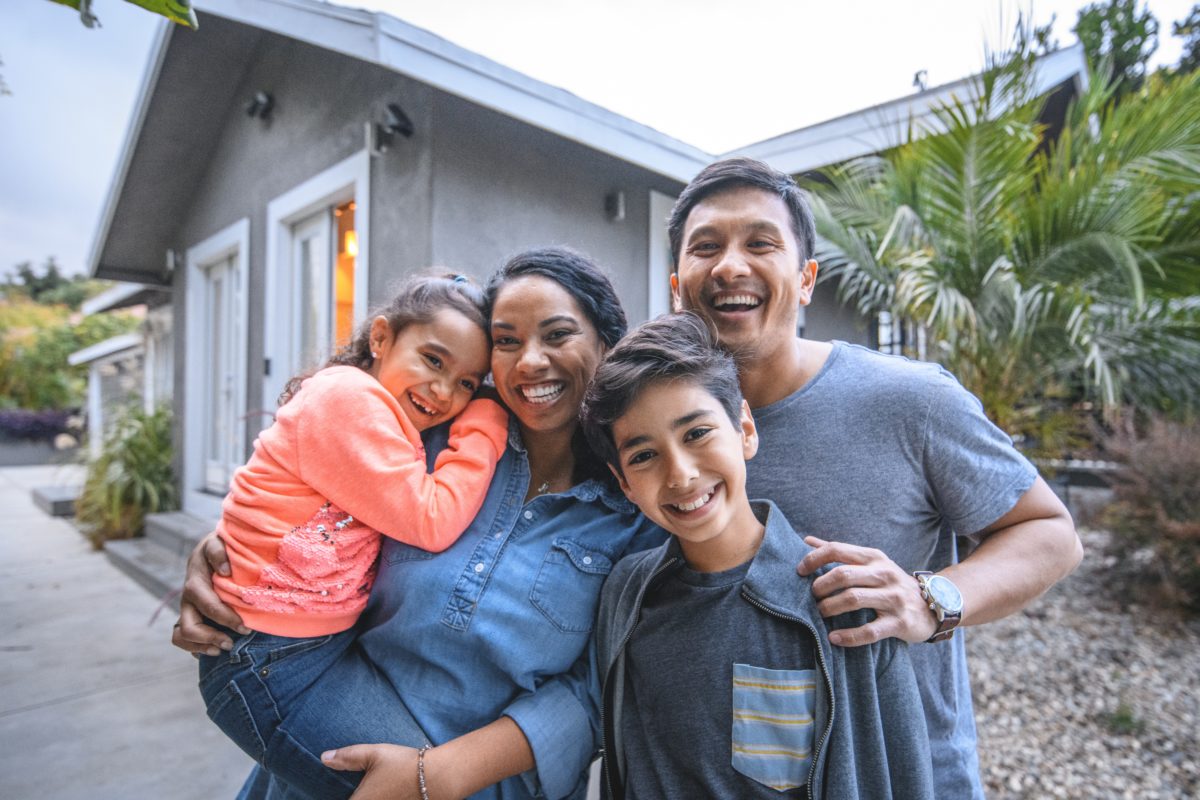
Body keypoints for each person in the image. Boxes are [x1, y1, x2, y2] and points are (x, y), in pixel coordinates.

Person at [173, 247, 666, 800]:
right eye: (506, 340)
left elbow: (602, 689)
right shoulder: (427, 445)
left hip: (492, 787)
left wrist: (442, 774)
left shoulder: (636, 509)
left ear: (605, 343)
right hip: (315, 757)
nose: (529, 361)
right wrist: (224, 555)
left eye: (557, 335)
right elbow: (302, 506)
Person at [667, 157, 1084, 798]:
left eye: (760, 243)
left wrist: (931, 598)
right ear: (678, 285)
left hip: (900, 776)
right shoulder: (655, 434)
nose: (729, 266)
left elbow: (1051, 533)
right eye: (707, 247)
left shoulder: (909, 400)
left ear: (806, 280)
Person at [581, 312, 935, 799]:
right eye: (644, 455)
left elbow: (901, 775)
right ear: (623, 483)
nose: (680, 475)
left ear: (745, 429)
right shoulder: (626, 596)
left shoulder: (846, 598)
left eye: (696, 433)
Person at [196, 273, 509, 791]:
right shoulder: (348, 400)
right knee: (413, 788)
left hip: (308, 650)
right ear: (381, 339)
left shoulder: (383, 411)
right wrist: (485, 421)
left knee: (420, 775)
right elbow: (430, 517)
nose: (443, 390)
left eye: (467, 384)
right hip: (266, 659)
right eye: (433, 360)